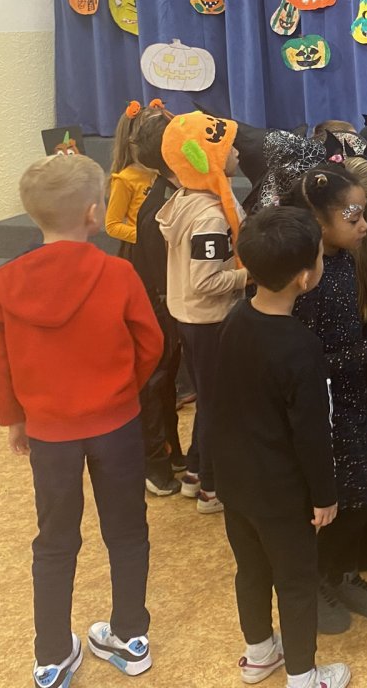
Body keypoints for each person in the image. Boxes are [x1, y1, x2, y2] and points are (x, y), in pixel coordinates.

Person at [0, 153, 162, 687]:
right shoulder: (118, 273)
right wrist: (122, 391)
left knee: (54, 540)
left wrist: (14, 418)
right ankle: (130, 637)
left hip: (49, 433)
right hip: (117, 424)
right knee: (127, 529)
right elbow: (150, 343)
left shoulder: (6, 284)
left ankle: (51, 656)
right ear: (92, 213)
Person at [213, 206, 351, 688]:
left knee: (250, 571)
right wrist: (324, 495)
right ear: (304, 277)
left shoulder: (234, 319)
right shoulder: (300, 346)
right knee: (295, 582)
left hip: (236, 484)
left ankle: (258, 655)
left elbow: (218, 405)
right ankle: (302, 676)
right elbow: (312, 433)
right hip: (282, 493)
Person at [285, 163, 367, 632]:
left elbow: (345, 341)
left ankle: (342, 572)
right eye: (354, 217)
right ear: (319, 223)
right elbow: (307, 365)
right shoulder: (304, 281)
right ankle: (315, 580)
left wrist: (363, 395)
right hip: (317, 411)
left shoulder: (343, 261)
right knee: (327, 504)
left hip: (349, 399)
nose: (365, 225)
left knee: (361, 497)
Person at [156, 111, 249, 514]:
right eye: (228, 148)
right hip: (209, 320)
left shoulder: (187, 199)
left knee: (210, 401)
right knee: (217, 406)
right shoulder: (210, 216)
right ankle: (212, 488)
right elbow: (206, 281)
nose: (238, 153)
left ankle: (195, 471)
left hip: (191, 318)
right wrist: (249, 276)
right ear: (206, 159)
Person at [129, 105, 185, 497]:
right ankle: (154, 461)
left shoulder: (175, 194)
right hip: (158, 307)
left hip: (168, 304)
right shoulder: (158, 207)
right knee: (156, 383)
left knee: (167, 384)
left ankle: (172, 449)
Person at [105, 100, 159, 255]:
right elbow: (112, 225)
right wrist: (145, 237)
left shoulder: (164, 172)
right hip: (141, 252)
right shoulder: (125, 179)